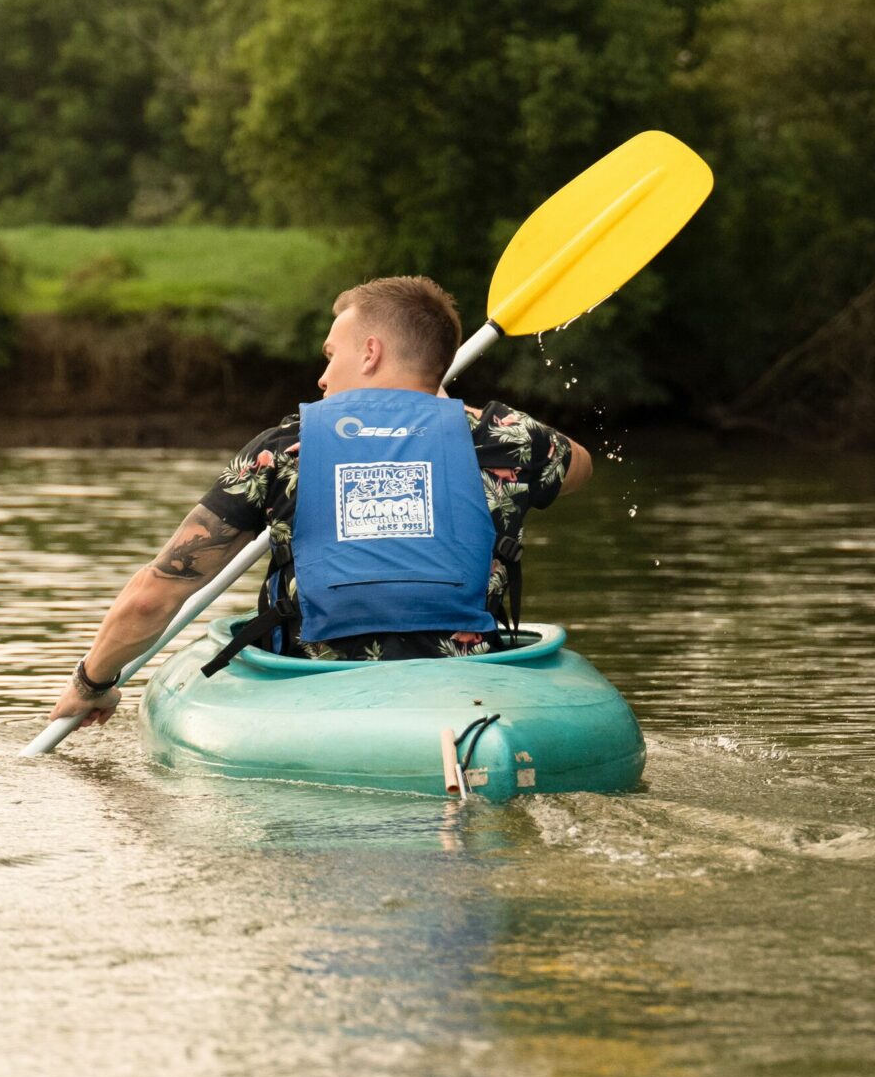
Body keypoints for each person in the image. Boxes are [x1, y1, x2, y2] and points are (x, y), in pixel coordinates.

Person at [44, 275, 592, 735]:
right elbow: (580, 469)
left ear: (371, 352)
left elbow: (152, 598)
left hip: (319, 698)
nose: (322, 376)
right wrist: (453, 415)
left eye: (333, 355)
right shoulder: (504, 436)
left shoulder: (284, 450)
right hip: (468, 688)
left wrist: (90, 682)